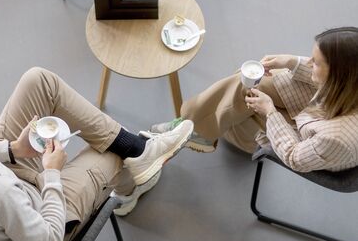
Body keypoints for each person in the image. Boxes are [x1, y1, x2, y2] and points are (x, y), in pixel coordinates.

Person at [0, 67, 193, 241]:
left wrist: (12, 149)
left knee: (39, 81)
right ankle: (128, 188)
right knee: (112, 151)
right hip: (41, 217)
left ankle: (138, 151)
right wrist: (52, 174)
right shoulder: (0, 195)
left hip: (3, 172)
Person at [151, 27, 358, 173]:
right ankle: (195, 127)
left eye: (316, 62)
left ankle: (192, 128)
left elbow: (295, 157)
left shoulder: (335, 138)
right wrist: (292, 61)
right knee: (249, 83)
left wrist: (271, 112)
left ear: (340, 76)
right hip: (326, 108)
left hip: (308, 142)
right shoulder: (351, 82)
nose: (309, 61)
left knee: (246, 103)